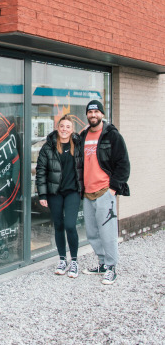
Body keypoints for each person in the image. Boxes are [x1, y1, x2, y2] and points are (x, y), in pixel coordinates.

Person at [80, 100, 130, 285]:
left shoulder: (112, 136)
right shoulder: (83, 136)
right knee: (92, 232)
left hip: (104, 191)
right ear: (87, 115)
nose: (93, 115)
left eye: (96, 112)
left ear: (102, 114)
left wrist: (112, 189)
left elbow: (123, 164)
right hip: (87, 192)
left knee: (107, 232)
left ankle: (111, 267)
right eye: (90, 112)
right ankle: (101, 263)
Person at [36, 115, 83, 278]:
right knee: (58, 226)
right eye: (62, 126)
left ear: (72, 129)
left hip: (72, 192)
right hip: (54, 193)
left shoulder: (78, 145)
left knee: (70, 225)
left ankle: (74, 261)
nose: (64, 129)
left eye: (68, 126)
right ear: (57, 127)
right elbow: (41, 171)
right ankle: (62, 259)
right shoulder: (48, 147)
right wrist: (42, 194)